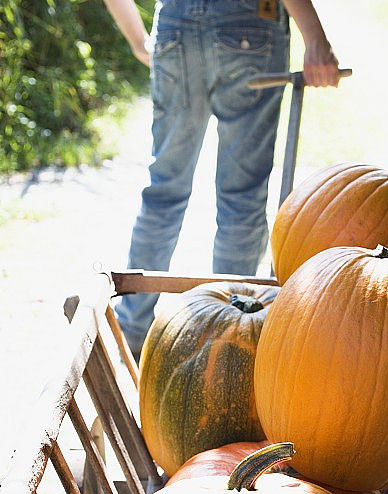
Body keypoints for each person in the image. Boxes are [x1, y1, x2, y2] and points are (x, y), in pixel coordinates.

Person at [102, 0, 340, 358]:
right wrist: (315, 38)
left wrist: (139, 40)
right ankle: (226, 343)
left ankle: (131, 333)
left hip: (176, 24)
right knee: (241, 197)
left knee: (163, 191)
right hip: (248, 23)